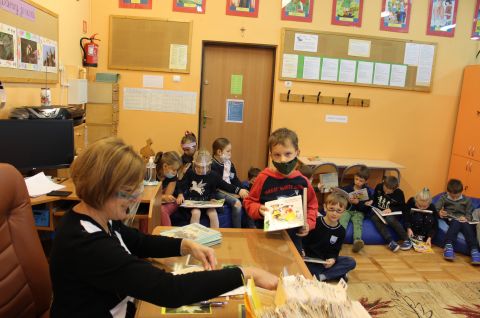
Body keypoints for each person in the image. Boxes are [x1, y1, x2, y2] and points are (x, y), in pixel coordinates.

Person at [49, 137, 278, 317]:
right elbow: (169, 290)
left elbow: (140, 242)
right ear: (102, 189)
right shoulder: (86, 244)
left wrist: (185, 245)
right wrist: (244, 274)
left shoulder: (97, 218)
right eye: (128, 192)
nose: (133, 199)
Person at [244, 128, 318, 253]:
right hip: (265, 237)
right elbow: (249, 202)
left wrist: (309, 223)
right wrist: (258, 209)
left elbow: (312, 205)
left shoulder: (303, 181)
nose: (283, 160)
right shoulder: (263, 178)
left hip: (293, 238)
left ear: (297, 152)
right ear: (270, 155)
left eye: (288, 154)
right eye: (277, 155)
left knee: (294, 269)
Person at [176, 150, 244, 228]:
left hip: (207, 202)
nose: (201, 170)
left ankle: (215, 235)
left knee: (213, 214)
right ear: (194, 164)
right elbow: (181, 184)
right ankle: (193, 236)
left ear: (209, 165)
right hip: (193, 202)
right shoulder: (190, 173)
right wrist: (180, 194)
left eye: (203, 167)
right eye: (198, 167)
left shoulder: (213, 175)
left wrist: (239, 190)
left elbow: (225, 186)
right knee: (196, 213)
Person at [302, 191, 356, 282]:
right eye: (331, 209)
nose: (334, 213)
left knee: (350, 262)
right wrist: (302, 250)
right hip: (310, 260)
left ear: (344, 212)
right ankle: (336, 274)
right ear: (325, 207)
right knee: (310, 271)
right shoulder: (315, 222)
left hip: (325, 261)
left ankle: (323, 277)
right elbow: (304, 240)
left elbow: (335, 250)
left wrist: (332, 259)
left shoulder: (341, 231)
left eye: (339, 211)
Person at [434, 179, 480, 264]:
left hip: (464, 221)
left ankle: (474, 250)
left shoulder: (467, 200)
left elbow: (470, 214)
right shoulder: (444, 197)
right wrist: (439, 212)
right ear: (448, 192)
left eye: (457, 196)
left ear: (461, 192)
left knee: (465, 225)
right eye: (452, 196)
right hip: (450, 219)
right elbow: (435, 209)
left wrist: (466, 218)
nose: (454, 199)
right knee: (455, 222)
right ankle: (448, 246)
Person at [211, 138, 249, 228]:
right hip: (218, 190)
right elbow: (221, 184)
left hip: (229, 188)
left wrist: (242, 190)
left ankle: (250, 226)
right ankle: (237, 230)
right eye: (228, 151)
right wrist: (237, 191)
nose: (230, 154)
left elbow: (234, 179)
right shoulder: (212, 165)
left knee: (248, 197)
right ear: (219, 152)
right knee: (237, 203)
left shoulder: (229, 164)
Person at [367, 176, 412, 252]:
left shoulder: (399, 193)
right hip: (380, 212)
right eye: (385, 189)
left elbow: (402, 207)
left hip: (393, 213)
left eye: (389, 191)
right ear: (383, 183)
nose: (386, 192)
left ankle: (406, 239)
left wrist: (391, 209)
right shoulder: (379, 187)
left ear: (394, 189)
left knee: (389, 219)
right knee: (374, 218)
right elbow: (374, 198)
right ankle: (390, 241)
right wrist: (371, 201)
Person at [339, 165, 373, 253]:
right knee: (342, 221)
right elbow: (341, 193)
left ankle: (357, 241)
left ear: (366, 181)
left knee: (358, 224)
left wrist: (358, 203)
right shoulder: (348, 187)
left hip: (359, 211)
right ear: (354, 178)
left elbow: (366, 208)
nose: (358, 182)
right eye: (356, 179)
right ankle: (338, 240)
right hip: (347, 210)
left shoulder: (367, 192)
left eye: (361, 181)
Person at [154, 151, 182, 226]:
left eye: (177, 170)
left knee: (162, 210)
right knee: (150, 210)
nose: (175, 173)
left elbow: (167, 197)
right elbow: (149, 194)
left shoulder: (173, 177)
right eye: (173, 170)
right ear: (165, 166)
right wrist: (162, 197)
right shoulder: (152, 172)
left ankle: (167, 236)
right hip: (155, 201)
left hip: (171, 201)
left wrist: (162, 197)